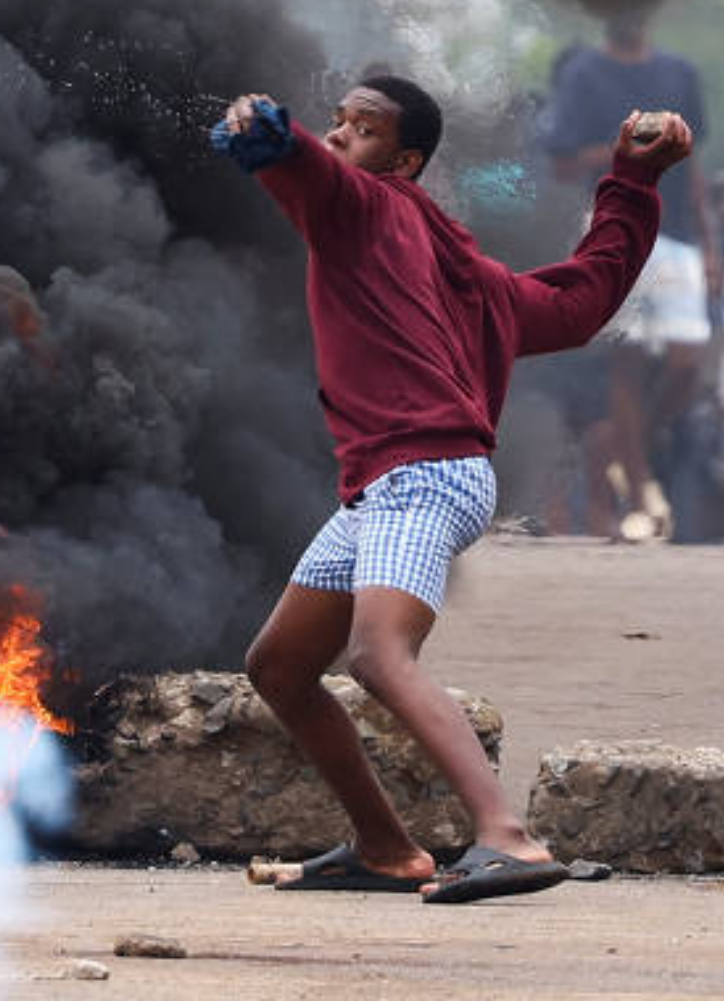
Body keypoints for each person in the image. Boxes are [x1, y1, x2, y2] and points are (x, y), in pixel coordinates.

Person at [210, 76, 691, 903]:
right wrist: (634, 184)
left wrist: (269, 135)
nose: (338, 137)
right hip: (387, 484)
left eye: (359, 130)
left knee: (377, 655)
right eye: (334, 123)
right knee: (281, 665)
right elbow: (582, 298)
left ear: (403, 162)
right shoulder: (470, 274)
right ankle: (385, 847)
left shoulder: (359, 204)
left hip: (420, 475)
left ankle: (510, 839)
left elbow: (305, 170)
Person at [543, 14, 719, 539]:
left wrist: (710, 246)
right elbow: (562, 165)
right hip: (615, 223)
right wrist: (625, 148)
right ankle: (640, 492)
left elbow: (691, 163)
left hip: (680, 234)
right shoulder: (583, 75)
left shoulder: (679, 72)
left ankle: (628, 446)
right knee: (629, 359)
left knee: (688, 357)